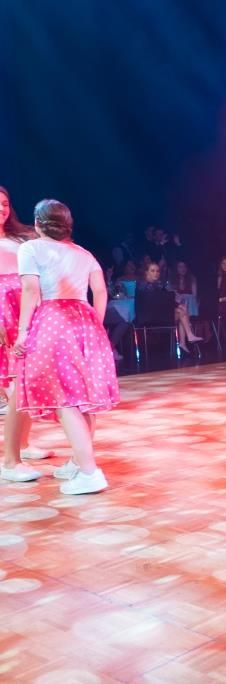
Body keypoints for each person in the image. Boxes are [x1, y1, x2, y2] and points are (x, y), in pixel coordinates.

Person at [13, 200, 119, 494]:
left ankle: (89, 472)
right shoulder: (83, 253)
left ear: (38, 223)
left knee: (64, 398)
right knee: (83, 396)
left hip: (54, 319)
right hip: (86, 320)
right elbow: (100, 291)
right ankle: (78, 462)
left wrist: (22, 332)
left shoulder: (31, 249)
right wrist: (96, 325)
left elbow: (31, 290)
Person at [0, 188, 54, 482]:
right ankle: (10, 460)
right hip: (3, 312)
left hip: (24, 306)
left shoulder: (22, 238)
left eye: (5, 204)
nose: (2, 209)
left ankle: (22, 444)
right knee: (15, 385)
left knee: (28, 379)